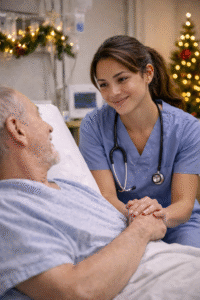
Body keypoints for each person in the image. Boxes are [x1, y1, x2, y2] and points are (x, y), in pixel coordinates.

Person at [1, 87, 200, 300]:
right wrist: (143, 228)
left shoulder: (70, 188)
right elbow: (75, 291)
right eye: (39, 116)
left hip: (180, 266)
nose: (50, 127)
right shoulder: (9, 207)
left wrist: (144, 213)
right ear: (17, 129)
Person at [79, 35, 200, 248]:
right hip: (119, 219)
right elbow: (106, 195)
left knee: (190, 264)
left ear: (148, 74)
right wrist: (138, 220)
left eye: (122, 79)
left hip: (176, 223)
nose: (113, 93)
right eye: (104, 84)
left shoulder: (187, 128)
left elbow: (184, 204)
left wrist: (159, 217)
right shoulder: (94, 125)